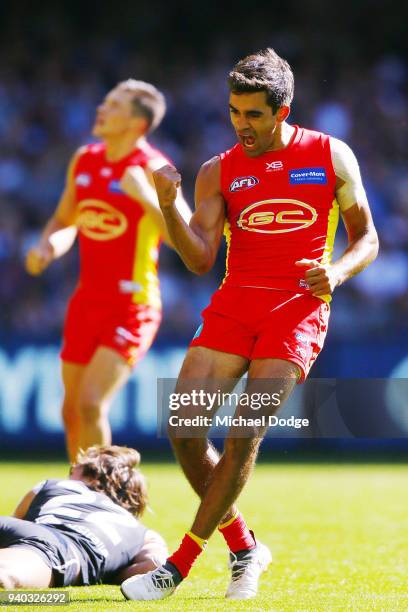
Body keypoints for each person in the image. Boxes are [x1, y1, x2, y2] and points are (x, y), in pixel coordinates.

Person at [121, 48, 379, 601]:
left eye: (254, 115)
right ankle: (245, 547)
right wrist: (169, 204)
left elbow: (368, 238)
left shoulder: (332, 157)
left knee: (244, 432)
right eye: (235, 112)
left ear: (282, 112)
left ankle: (178, 566)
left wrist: (336, 270)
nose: (242, 125)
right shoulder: (218, 171)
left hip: (297, 309)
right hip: (235, 303)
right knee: (184, 430)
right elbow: (198, 258)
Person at [25, 80, 191, 462]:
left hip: (133, 302)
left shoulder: (154, 168)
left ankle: (103, 499)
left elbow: (187, 241)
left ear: (137, 124)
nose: (101, 109)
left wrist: (148, 198)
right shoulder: (85, 158)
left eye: (114, 105)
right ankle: (77, 494)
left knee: (90, 403)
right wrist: (48, 246)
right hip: (87, 300)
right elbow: (65, 221)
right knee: (70, 410)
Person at [0, 445, 167, 588]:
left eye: (74, 469)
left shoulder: (53, 485)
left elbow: (18, 522)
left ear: (93, 477)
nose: (70, 474)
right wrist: (112, 573)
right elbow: (156, 566)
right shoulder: (142, 533)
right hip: (62, 548)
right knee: (6, 575)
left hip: (30, 531)